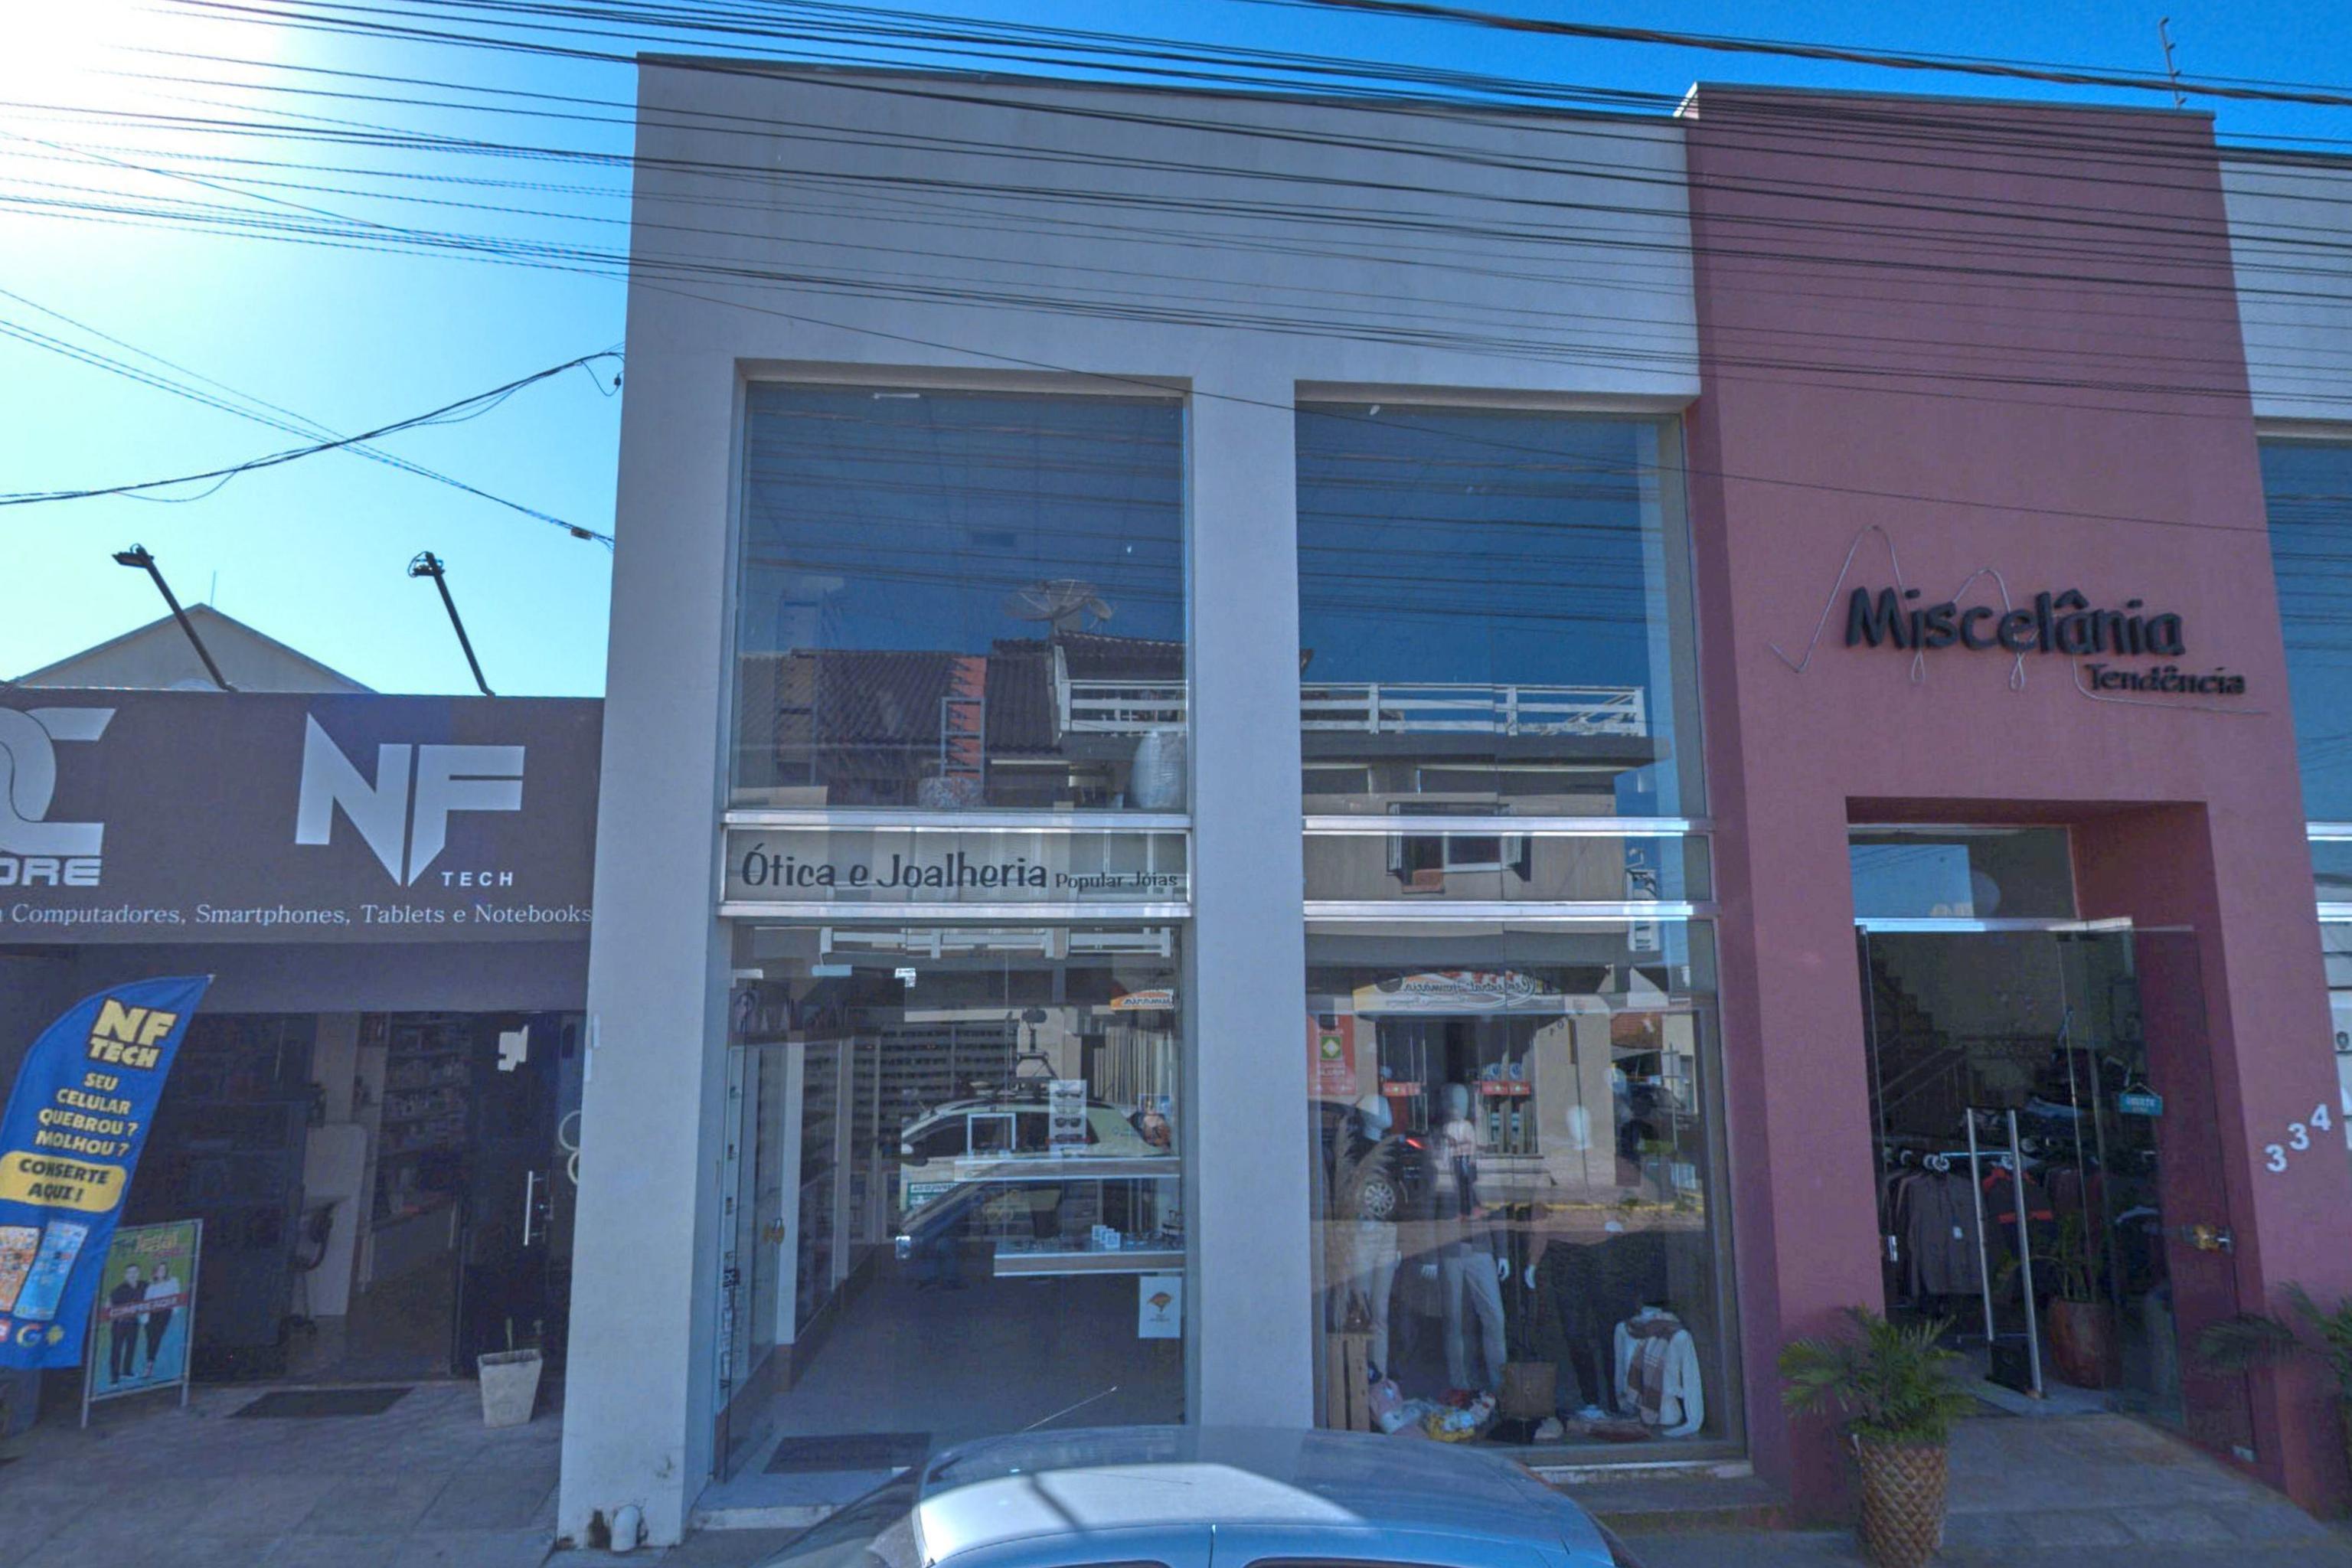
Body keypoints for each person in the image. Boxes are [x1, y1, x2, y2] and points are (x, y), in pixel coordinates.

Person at [107, 1265, 145, 1383]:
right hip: (120, 1324)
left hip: (134, 1322)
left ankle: (127, 1372)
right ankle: (114, 1378)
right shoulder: (118, 1290)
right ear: (126, 1275)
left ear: (138, 1273)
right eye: (129, 1272)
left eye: (135, 1272)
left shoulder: (143, 1285)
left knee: (131, 1347)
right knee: (117, 1350)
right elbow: (108, 1306)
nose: (132, 1275)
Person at [142, 1259, 179, 1370]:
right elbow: (146, 1302)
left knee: (156, 1337)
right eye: (159, 1270)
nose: (162, 1272)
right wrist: (145, 1319)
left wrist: (174, 1310)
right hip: (151, 1315)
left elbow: (176, 1295)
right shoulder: (151, 1287)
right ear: (155, 1272)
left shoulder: (173, 1281)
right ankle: (149, 1361)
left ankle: (150, 1364)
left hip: (164, 1313)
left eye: (164, 1269)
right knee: (151, 1339)